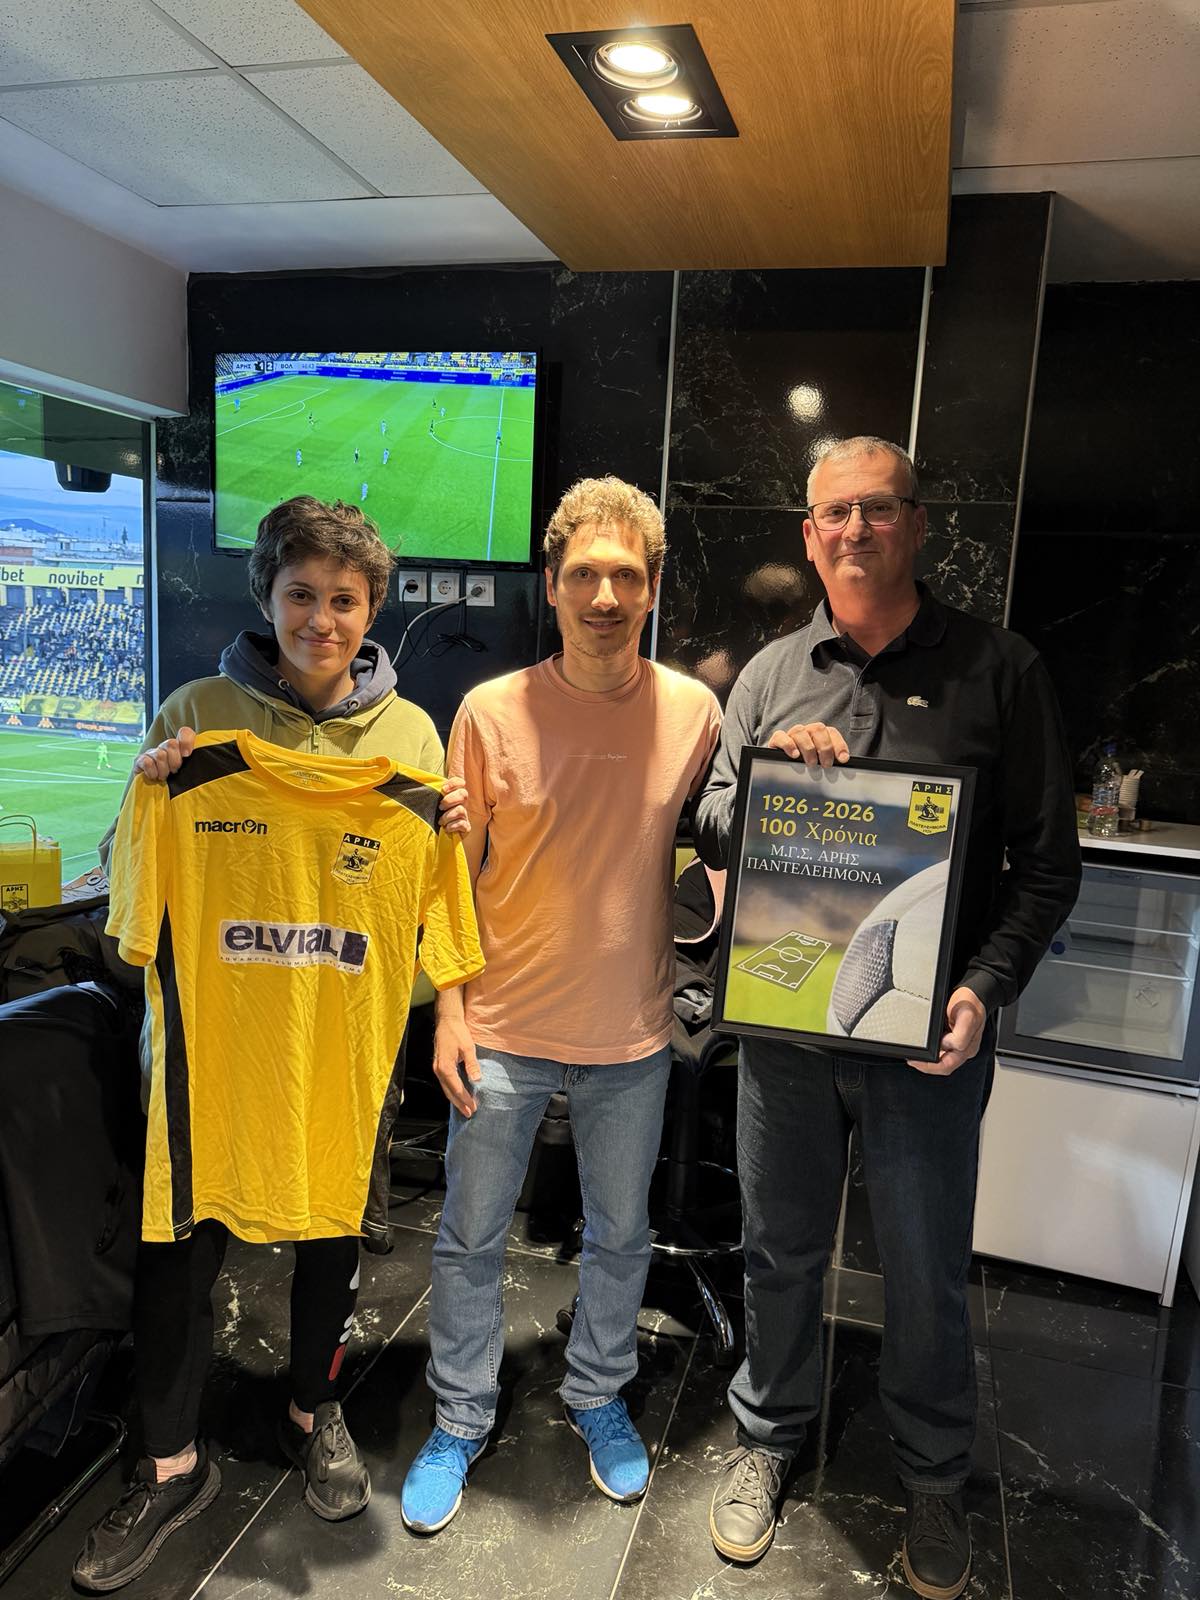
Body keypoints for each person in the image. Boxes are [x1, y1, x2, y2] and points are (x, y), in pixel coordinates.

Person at [694, 437, 1080, 1599]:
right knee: (780, 1249)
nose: (855, 529)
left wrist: (983, 988)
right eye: (835, 513)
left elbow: (1047, 866)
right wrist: (772, 777)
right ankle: (768, 1436)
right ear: (809, 536)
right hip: (786, 1031)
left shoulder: (1001, 670)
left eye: (878, 507)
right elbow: (708, 820)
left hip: (926, 1041)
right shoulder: (770, 675)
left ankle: (932, 1474)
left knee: (922, 1266)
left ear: (917, 521)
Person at [75, 496, 470, 1593]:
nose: (322, 619)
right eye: (302, 594)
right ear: (268, 596)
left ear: (371, 609)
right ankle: (170, 1461)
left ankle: (312, 1405)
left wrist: (447, 836)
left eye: (344, 600)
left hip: (338, 1050)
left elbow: (437, 915)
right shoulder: (194, 719)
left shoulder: (411, 740)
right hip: (212, 1055)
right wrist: (151, 791)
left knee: (331, 1233)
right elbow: (127, 888)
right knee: (179, 1249)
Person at [400, 476, 721, 1534]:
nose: (604, 595)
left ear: (653, 588)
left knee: (622, 1235)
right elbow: (450, 881)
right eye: (584, 573)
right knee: (470, 1236)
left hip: (632, 1032)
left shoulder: (695, 713)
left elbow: (735, 834)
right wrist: (449, 1012)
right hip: (500, 1028)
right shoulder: (490, 713)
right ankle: (460, 1413)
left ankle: (597, 1391)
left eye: (625, 575)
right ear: (552, 585)